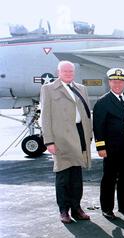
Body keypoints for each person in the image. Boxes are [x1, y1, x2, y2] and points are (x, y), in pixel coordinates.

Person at [41, 60, 92, 224]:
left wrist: (88, 135)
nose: (69, 74)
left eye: (71, 71)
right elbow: (45, 117)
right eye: (65, 71)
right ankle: (64, 211)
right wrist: (48, 141)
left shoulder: (81, 88)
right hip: (61, 137)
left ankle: (77, 208)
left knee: (77, 175)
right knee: (63, 175)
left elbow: (87, 113)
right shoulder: (48, 89)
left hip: (79, 134)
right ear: (58, 72)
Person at [93, 68, 124, 220]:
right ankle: (107, 208)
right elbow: (98, 126)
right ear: (109, 83)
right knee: (109, 178)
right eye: (114, 81)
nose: (117, 84)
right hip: (112, 148)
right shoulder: (103, 102)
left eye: (120, 81)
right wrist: (101, 147)